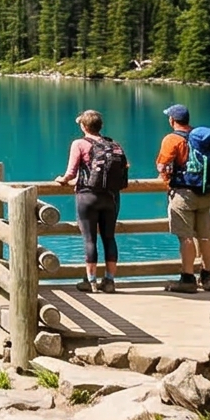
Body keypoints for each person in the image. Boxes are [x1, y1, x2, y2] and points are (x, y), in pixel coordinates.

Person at [56, 109, 127, 292]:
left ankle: (91, 281)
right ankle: (110, 281)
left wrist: (62, 180)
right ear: (100, 126)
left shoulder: (79, 143)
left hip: (87, 195)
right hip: (111, 196)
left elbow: (71, 172)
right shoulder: (113, 144)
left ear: (83, 126)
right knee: (109, 237)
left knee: (89, 239)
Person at [158, 104, 210, 292]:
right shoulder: (200, 137)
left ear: (172, 120)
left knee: (185, 237)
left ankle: (187, 279)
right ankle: (207, 276)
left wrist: (166, 179)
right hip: (206, 193)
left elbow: (162, 166)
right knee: (205, 235)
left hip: (184, 194)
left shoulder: (172, 139)